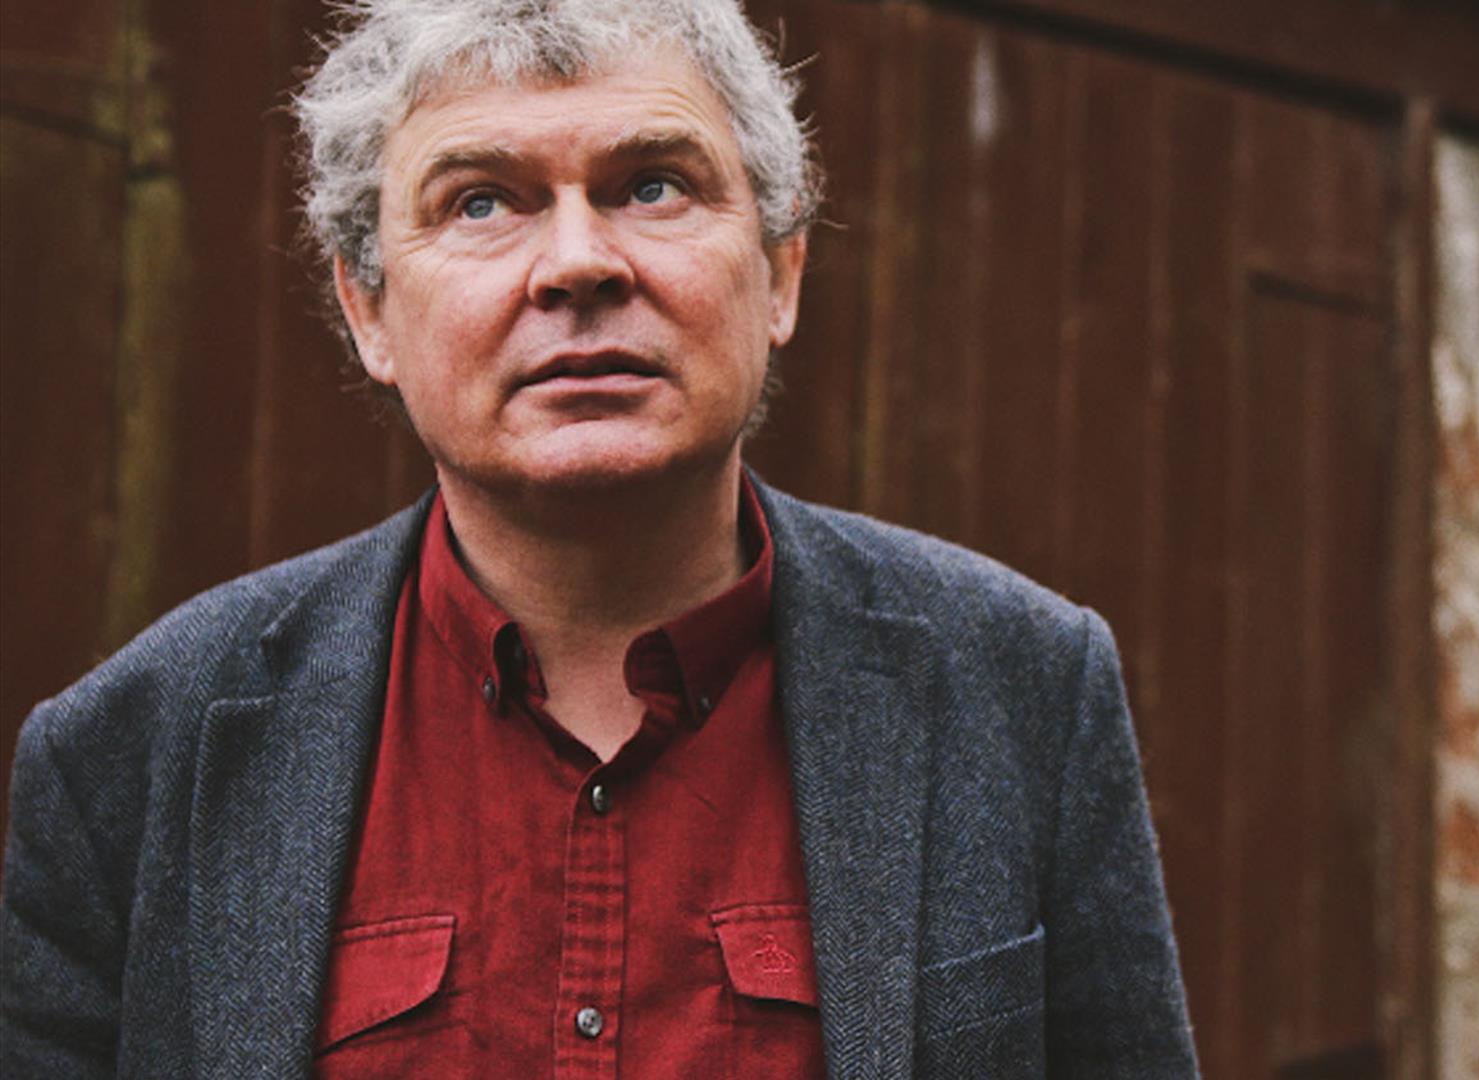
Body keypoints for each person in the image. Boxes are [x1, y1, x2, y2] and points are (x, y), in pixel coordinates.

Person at [0, 1, 1197, 1076]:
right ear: (369, 311)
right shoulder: (127, 756)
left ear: (780, 275)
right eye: (480, 200)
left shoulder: (1026, 689)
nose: (578, 262)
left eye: (653, 184)